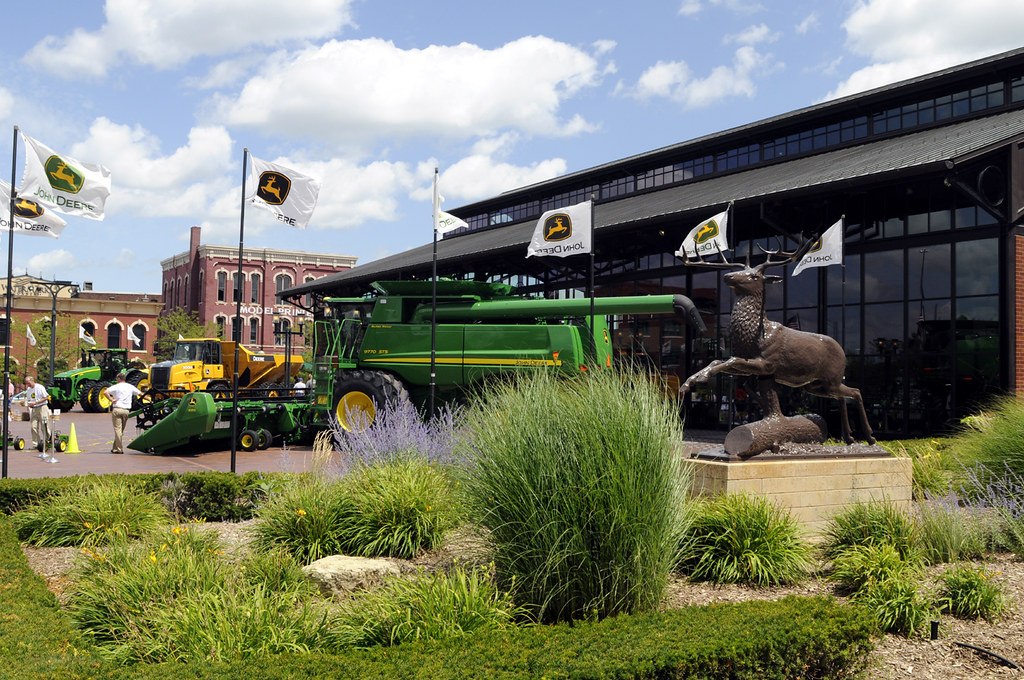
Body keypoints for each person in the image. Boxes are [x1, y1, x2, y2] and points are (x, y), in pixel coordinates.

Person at [104, 371, 142, 454]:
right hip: (126, 411)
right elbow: (140, 393)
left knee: (117, 430)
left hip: (117, 409)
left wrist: (111, 400)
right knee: (120, 430)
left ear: (118, 378)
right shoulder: (130, 387)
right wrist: (148, 398)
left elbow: (105, 392)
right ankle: (115, 448)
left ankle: (119, 449)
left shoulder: (116, 386)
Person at [24, 376, 50, 451]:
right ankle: (36, 444)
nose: (27, 385)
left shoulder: (40, 387)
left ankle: (47, 441)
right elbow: (29, 399)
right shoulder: (29, 390)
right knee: (33, 426)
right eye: (26, 383)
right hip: (34, 409)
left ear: (32, 381)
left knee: (44, 425)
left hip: (42, 407)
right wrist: (28, 404)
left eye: (28, 383)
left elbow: (46, 397)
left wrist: (36, 402)